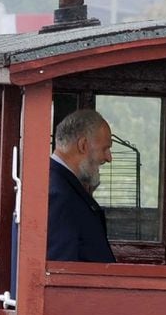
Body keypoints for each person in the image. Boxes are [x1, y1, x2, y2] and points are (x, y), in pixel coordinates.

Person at [47, 109, 115, 263]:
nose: (109, 158)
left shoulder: (61, 185)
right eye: (105, 148)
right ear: (83, 145)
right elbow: (60, 269)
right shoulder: (58, 195)